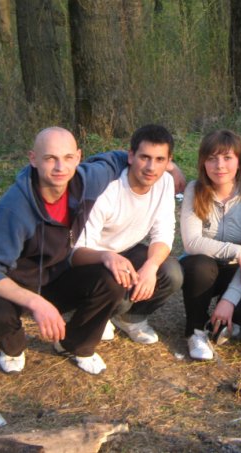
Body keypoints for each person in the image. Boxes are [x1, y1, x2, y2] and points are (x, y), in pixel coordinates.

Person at [0, 127, 129, 375]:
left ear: (78, 157)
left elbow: (117, 159)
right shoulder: (15, 207)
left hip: (60, 277)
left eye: (68, 157)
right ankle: (13, 347)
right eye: (50, 158)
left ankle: (74, 344)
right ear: (33, 159)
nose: (60, 167)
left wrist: (170, 167)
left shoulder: (87, 181)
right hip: (18, 286)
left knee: (111, 278)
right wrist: (36, 303)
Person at [72, 125, 183, 344]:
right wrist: (109, 261)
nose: (151, 167)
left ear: (168, 161)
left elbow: (163, 232)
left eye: (159, 159)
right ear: (131, 156)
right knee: (119, 292)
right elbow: (80, 249)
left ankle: (131, 318)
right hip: (95, 257)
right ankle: (102, 311)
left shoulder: (165, 182)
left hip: (127, 249)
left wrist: (150, 266)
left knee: (172, 273)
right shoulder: (107, 188)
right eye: (144, 157)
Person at [179, 130, 241, 360]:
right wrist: (237, 250)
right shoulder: (194, 190)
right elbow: (191, 242)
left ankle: (224, 319)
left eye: (227, 158)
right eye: (212, 158)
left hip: (237, 269)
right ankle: (195, 331)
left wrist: (229, 300)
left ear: (239, 162)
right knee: (200, 266)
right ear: (203, 162)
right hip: (202, 265)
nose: (219, 166)